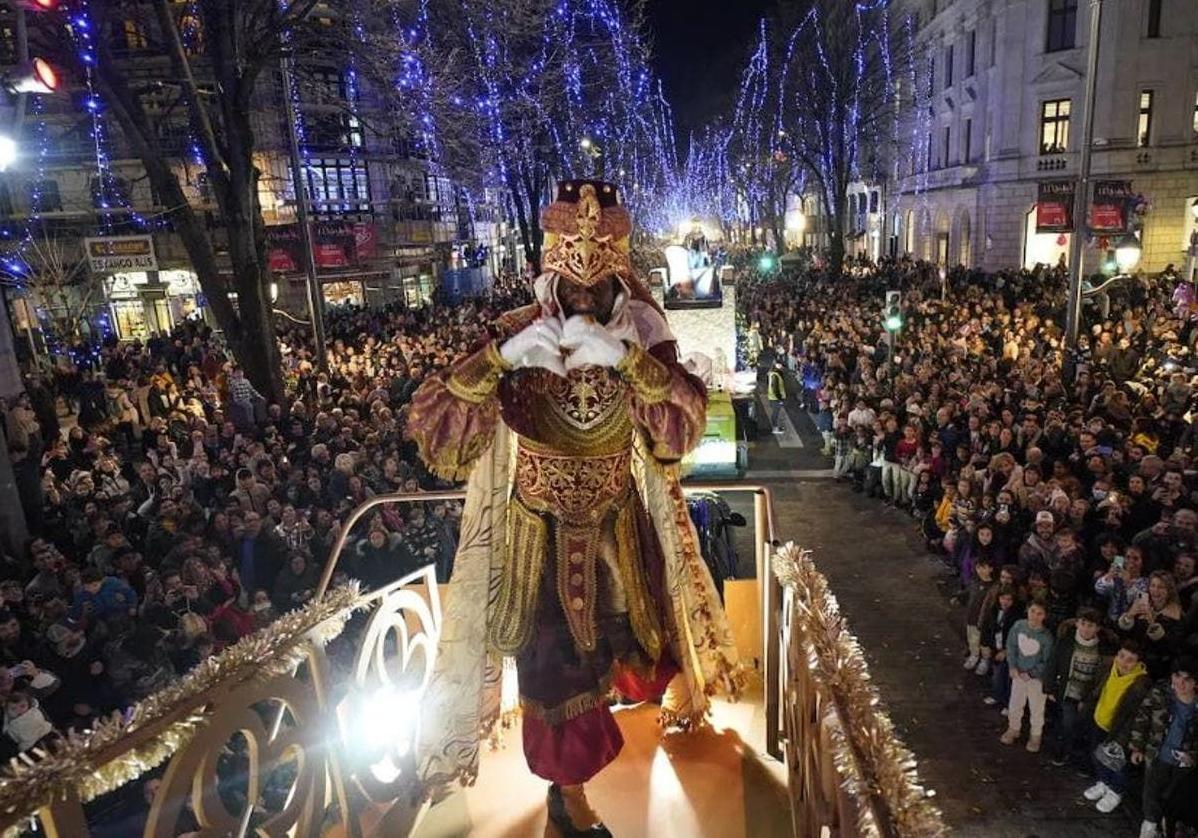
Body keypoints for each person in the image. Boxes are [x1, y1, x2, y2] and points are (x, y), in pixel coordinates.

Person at [407, 180, 742, 835]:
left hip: (619, 520)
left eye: (598, 291)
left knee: (646, 634)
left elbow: (681, 428)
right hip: (539, 535)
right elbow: (436, 427)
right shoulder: (512, 336)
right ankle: (570, 796)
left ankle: (671, 696)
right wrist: (500, 360)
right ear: (551, 282)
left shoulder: (642, 337)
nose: (585, 302)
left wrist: (632, 363)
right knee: (554, 675)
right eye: (573, 290)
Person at [1129, 656, 1198, 838]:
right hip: (1157, 753)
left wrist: (1194, 756)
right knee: (1151, 789)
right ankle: (1150, 822)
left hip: (1184, 764)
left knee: (1174, 794)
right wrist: (1137, 747)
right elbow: (1141, 719)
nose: (1180, 684)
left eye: (1187, 679)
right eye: (1177, 676)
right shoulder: (1160, 693)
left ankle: (1167, 823)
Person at [1082, 639, 1150, 815]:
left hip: (1120, 730)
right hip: (1099, 720)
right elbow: (1097, 687)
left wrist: (1124, 738)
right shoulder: (1107, 665)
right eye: (1121, 656)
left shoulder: (1140, 685)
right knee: (1097, 755)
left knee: (1117, 762)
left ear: (1138, 663)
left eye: (1130, 660)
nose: (1123, 662)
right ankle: (1103, 782)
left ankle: (1116, 791)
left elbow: (1135, 716)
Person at [1001, 599, 1054, 752]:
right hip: (1018, 673)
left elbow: (1047, 661)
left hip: (1036, 679)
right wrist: (1012, 666)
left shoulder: (1046, 637)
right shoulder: (1019, 626)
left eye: (1040, 614)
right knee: (1015, 703)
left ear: (1044, 616)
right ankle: (1013, 728)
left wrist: (1032, 673)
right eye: (1033, 611)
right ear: (1027, 610)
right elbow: (1011, 646)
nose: (1035, 616)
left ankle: (1035, 735)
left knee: (1037, 708)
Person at [767, 361, 787, 434]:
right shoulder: (775, 375)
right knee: (775, 413)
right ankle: (775, 428)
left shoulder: (772, 373)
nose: (781, 367)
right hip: (775, 398)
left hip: (773, 397)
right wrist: (780, 399)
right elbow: (775, 388)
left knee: (775, 413)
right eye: (780, 365)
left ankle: (775, 427)